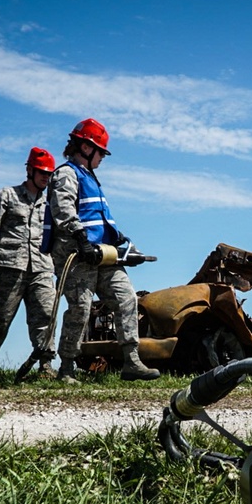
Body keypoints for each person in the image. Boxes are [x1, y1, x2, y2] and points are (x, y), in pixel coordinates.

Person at [41, 118, 160, 384]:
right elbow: (63, 210)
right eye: (100, 152)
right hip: (76, 255)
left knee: (126, 297)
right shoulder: (66, 174)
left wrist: (121, 241)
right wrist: (81, 240)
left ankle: (132, 361)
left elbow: (99, 219)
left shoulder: (92, 178)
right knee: (80, 308)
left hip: (102, 253)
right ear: (85, 148)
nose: (102, 158)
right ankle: (67, 368)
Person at [0, 147, 58, 376]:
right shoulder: (7, 196)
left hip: (42, 267)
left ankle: (46, 365)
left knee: (46, 315)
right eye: (41, 172)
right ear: (30, 170)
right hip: (9, 266)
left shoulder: (52, 202)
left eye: (49, 174)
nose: (45, 177)